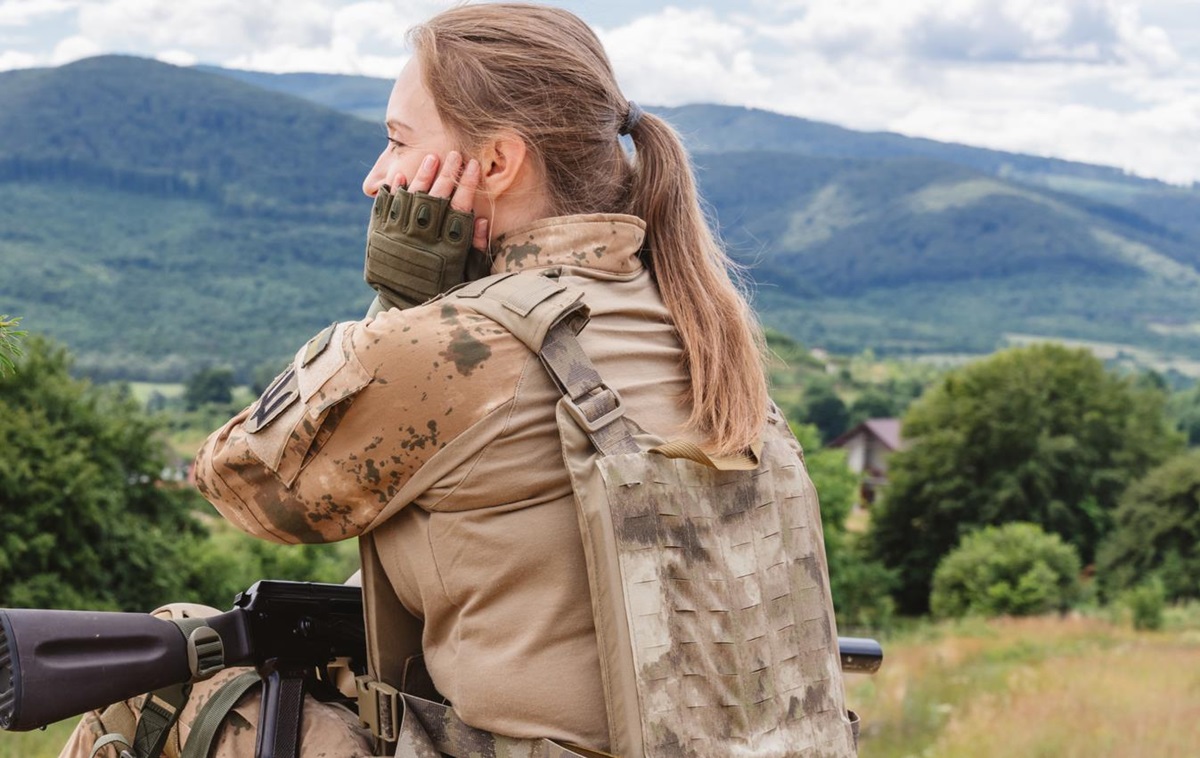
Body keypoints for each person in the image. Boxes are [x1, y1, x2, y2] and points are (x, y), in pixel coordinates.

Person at [64, 3, 855, 756]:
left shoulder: (462, 345)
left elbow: (239, 480)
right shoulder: (699, 326)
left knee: (160, 679)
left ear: (498, 163)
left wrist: (402, 304)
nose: (376, 177)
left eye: (398, 141)